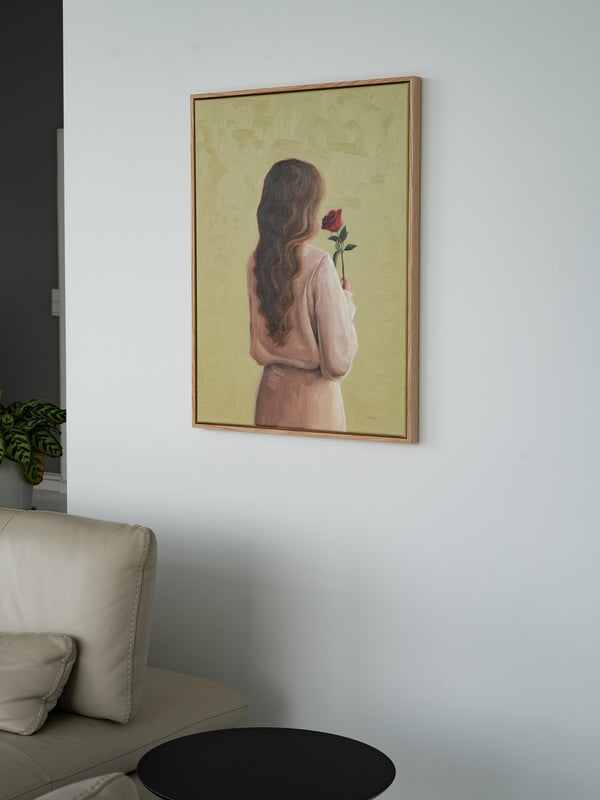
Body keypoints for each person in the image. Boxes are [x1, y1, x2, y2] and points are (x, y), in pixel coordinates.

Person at [247, 158, 358, 432]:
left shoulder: (256, 262)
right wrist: (345, 302)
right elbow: (338, 363)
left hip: (270, 400)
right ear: (306, 209)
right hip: (315, 408)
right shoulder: (319, 264)